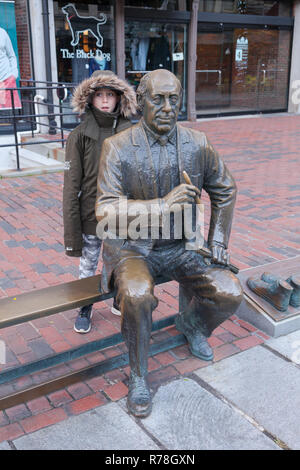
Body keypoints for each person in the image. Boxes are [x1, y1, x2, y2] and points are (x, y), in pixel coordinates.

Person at [96, 69, 243, 418]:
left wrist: (218, 240)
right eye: (157, 99)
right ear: (141, 102)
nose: (166, 107)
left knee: (229, 291)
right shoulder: (117, 147)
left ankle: (191, 324)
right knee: (136, 295)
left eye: (173, 100)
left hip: (181, 245)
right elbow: (105, 210)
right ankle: (139, 374)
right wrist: (164, 205)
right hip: (133, 247)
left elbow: (226, 189)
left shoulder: (198, 143)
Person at [63, 70, 137, 333]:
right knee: (89, 263)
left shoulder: (131, 131)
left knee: (119, 260)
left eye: (110, 95)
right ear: (90, 99)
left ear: (119, 98)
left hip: (121, 213)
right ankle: (85, 305)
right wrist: (71, 234)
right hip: (91, 214)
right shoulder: (80, 135)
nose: (105, 101)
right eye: (99, 96)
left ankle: (117, 296)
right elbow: (71, 187)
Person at [0, 27, 21, 109]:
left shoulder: (2, 33)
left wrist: (14, 75)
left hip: (7, 80)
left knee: (11, 114)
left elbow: (11, 55)